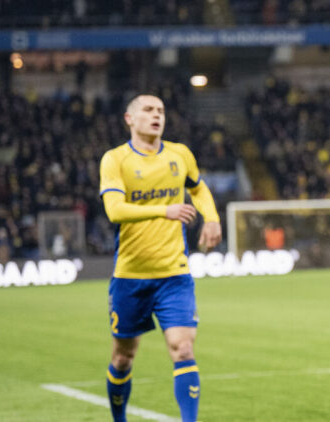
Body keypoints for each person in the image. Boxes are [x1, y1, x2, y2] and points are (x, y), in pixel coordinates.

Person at [98, 94, 222, 422]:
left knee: (183, 348)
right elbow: (114, 210)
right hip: (130, 275)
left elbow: (197, 188)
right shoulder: (115, 159)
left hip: (174, 273)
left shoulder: (180, 155)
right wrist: (164, 210)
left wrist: (211, 217)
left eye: (161, 111)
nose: (157, 116)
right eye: (149, 110)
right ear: (130, 118)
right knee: (123, 357)